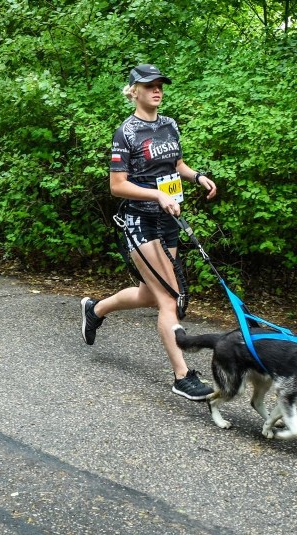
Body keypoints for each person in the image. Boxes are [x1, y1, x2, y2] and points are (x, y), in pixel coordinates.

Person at [80, 64, 218, 401]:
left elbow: (176, 165)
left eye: (160, 85)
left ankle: (95, 310)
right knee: (169, 298)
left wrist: (196, 176)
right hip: (141, 222)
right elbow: (117, 186)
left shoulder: (169, 125)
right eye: (149, 85)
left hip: (169, 218)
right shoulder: (125, 133)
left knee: (148, 293)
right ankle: (182, 375)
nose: (157, 90)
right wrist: (156, 194)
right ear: (134, 91)